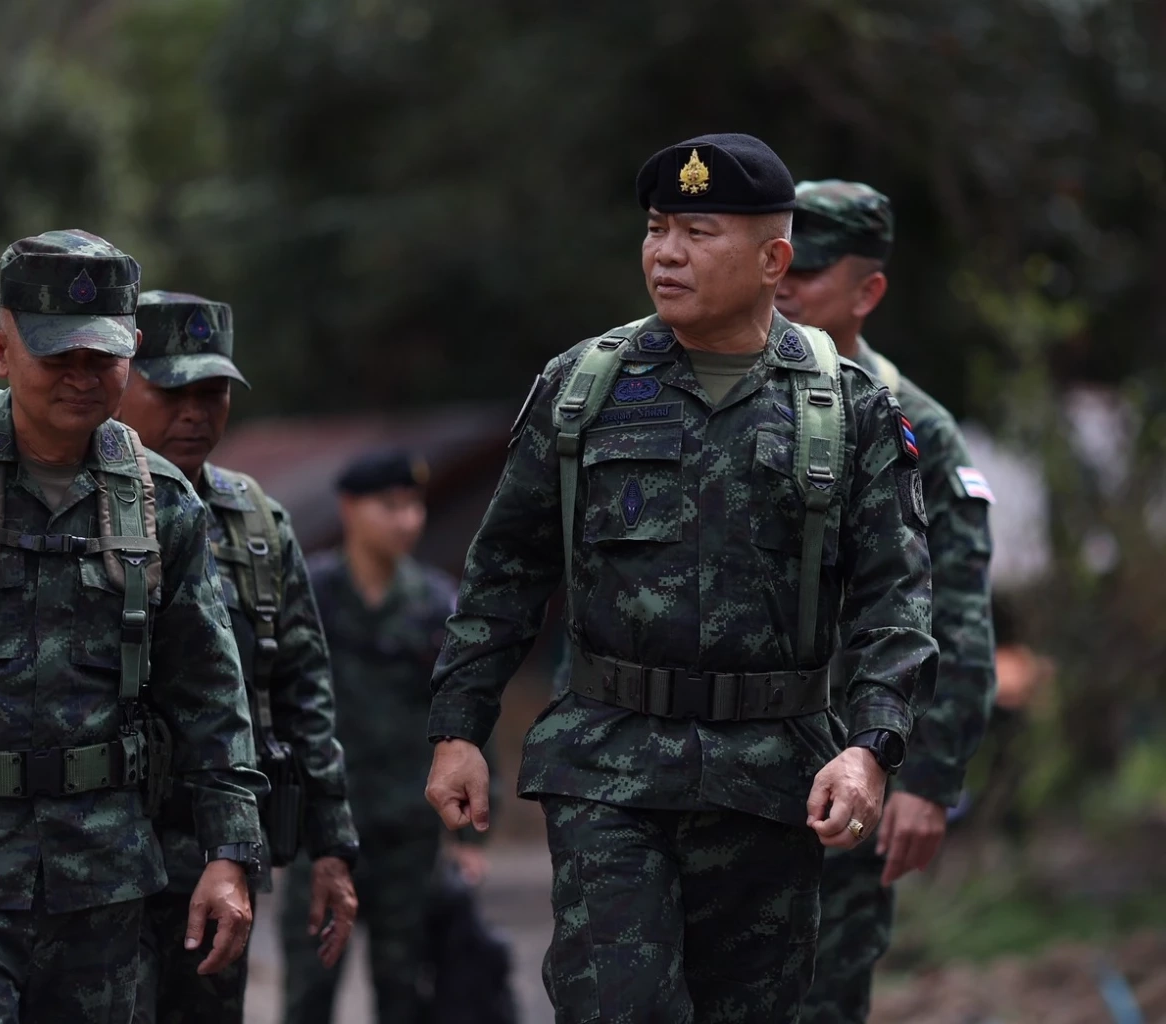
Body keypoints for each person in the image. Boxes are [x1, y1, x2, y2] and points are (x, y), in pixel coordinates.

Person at [424, 134, 939, 1023]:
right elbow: (507, 566)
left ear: (774, 259)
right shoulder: (584, 388)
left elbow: (897, 600)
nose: (665, 253)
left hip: (774, 781)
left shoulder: (845, 408)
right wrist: (459, 728)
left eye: (698, 232)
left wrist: (870, 748)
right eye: (658, 228)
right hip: (609, 768)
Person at [0, 230, 264, 1023]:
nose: (83, 378)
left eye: (103, 358)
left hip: (107, 884)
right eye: (59, 357)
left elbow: (209, 696)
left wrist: (230, 855)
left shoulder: (163, 501)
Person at [775, 179, 998, 1023]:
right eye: (783, 261)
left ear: (868, 291)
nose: (787, 284)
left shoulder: (918, 433)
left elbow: (961, 618)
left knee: (824, 996)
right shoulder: (719, 393)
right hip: (722, 763)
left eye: (814, 270)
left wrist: (931, 776)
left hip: (850, 769)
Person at [116, 289, 360, 1023]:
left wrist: (332, 844)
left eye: (213, 392)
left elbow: (302, 688)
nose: (194, 412)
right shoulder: (79, 500)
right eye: (172, 391)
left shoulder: (256, 522)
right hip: (94, 848)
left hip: (214, 850)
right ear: (123, 382)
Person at [281, 449, 488, 1024]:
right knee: (309, 990)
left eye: (414, 506)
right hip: (321, 830)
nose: (407, 520)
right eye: (390, 506)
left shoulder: (436, 603)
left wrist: (470, 840)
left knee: (404, 993)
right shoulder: (310, 595)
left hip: (406, 835)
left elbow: (464, 715)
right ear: (349, 508)